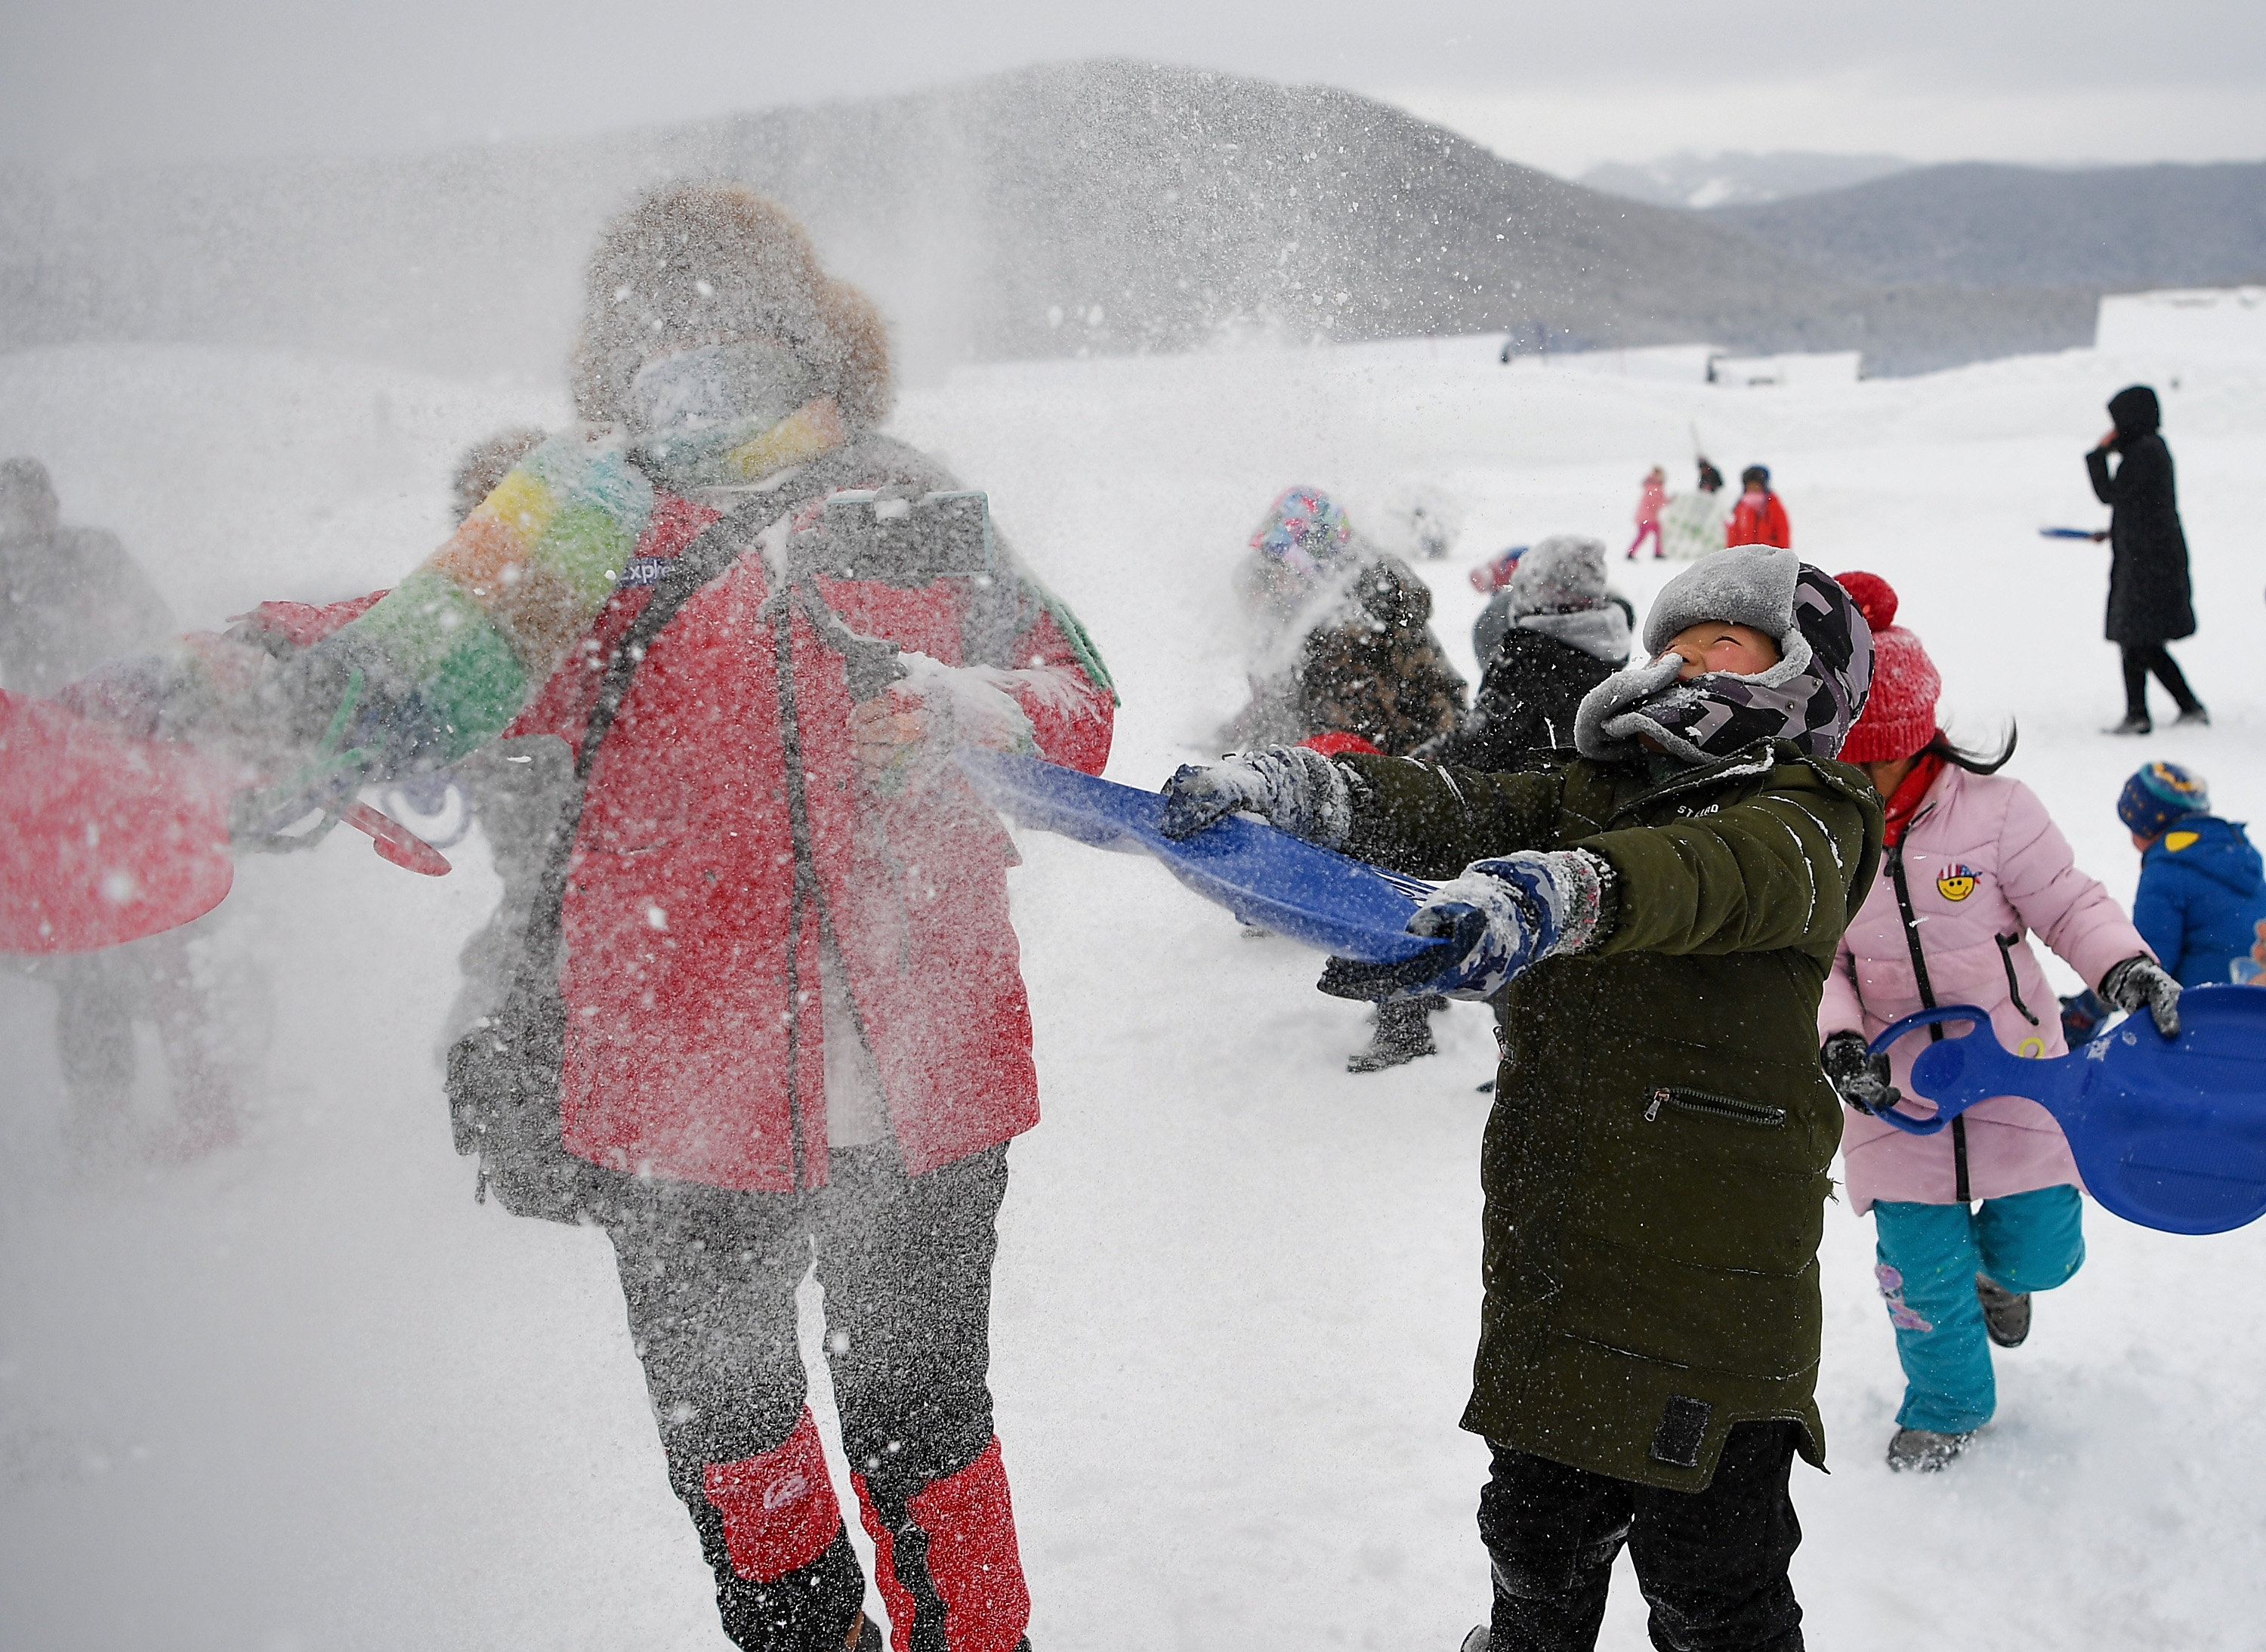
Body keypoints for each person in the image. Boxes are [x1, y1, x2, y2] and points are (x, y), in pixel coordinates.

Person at [68, 184, 1116, 1652]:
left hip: (928, 1082)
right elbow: (401, 656)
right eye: (654, 345)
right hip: (683, 1095)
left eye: (731, 335)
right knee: (741, 1452)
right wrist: (212, 683)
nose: (690, 370)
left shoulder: (926, 511)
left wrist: (968, 711)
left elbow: (1082, 710)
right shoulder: (582, 527)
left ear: (811, 341)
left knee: (926, 1426)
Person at [1162, 545, 1884, 1652]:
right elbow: (1455, 805)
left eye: (1723, 643)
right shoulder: (1587, 790)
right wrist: (1305, 788)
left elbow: (1703, 871)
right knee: (1532, 1539)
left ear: (1801, 676)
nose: (1686, 662)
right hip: (1560, 1245)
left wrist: (1564, 887)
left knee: (1713, 1582)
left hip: (1712, 1276)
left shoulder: (1812, 814)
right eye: (1674, 642)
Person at [1817, 571, 2178, 1474]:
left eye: (1871, 761)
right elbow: (1818, 967)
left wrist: (2120, 964)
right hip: (1895, 1094)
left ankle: (2005, 1281)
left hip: (2020, 1071)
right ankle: (1945, 1407)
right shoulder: (1819, 837)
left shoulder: (1997, 813)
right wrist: (1838, 1041)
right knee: (1921, 1278)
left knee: (2045, 1250)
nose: (1856, 780)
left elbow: (2067, 901)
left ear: (1910, 740)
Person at [0, 456, 255, 1159]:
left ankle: (208, 1113)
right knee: (92, 971)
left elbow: (152, 632)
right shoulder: (9, 577)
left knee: (172, 951)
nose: (27, 519)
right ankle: (104, 1122)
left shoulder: (93, 554)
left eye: (32, 503)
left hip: (126, 782)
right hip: (59, 802)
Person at [1224, 485, 1467, 1072]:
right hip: (1357, 762)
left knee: (1390, 889)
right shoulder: (1307, 610)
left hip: (1403, 762)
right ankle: (1412, 1000)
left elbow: (1405, 701)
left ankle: (1408, 1024)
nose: (1277, 579)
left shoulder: (1368, 609)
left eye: (1287, 564)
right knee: (1378, 882)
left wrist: (1393, 766)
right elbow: (1287, 696)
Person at [1425, 535, 1630, 769]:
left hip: (1519, 795)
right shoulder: (1606, 647)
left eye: (1526, 585)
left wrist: (1420, 764)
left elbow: (1478, 742)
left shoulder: (1529, 659)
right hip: (1576, 793)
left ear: (1545, 590)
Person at [2085, 385, 2205, 734]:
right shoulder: (2148, 450)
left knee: (2138, 638)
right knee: (2140, 640)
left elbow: (2112, 495)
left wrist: (2098, 455)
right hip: (2150, 559)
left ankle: (2147, 713)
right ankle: (2161, 709)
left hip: (2148, 565)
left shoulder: (2144, 453)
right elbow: (2138, 506)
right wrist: (2114, 532)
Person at [2119, 761, 2266, 986]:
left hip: (2207, 1010)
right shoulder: (2239, 854)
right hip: (2257, 1003)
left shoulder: (2164, 872)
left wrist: (2089, 1008)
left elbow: (2149, 969)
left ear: (2146, 828)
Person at [1727, 465, 1790, 548]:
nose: (1753, 488)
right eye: (1750, 486)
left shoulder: (1773, 505)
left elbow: (1782, 531)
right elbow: (1733, 534)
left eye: (1756, 485)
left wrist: (1783, 554)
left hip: (1769, 557)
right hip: (1744, 556)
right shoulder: (1741, 508)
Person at [1625, 466, 1666, 560]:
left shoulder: (1652, 486)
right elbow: (1655, 502)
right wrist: (1667, 502)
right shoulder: (1654, 487)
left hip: (1646, 516)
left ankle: (1631, 553)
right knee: (1655, 533)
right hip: (1648, 517)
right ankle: (1657, 553)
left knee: (1644, 535)